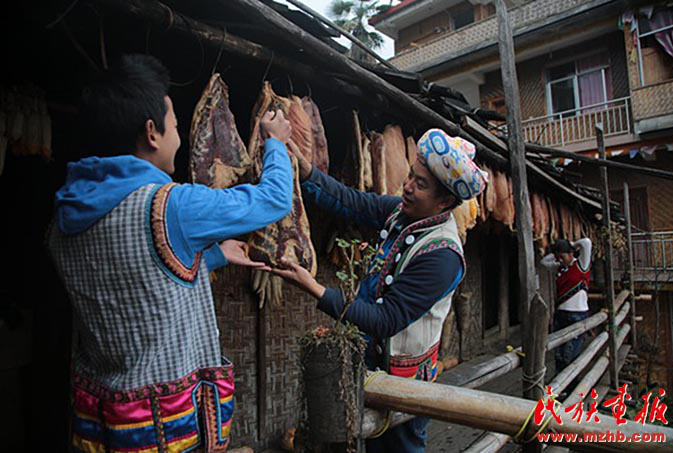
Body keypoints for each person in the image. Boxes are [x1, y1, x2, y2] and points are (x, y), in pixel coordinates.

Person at [48, 54, 293, 453]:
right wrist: (276, 144)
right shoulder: (170, 206)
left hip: (104, 425)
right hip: (166, 429)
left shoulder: (63, 218)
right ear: (152, 133)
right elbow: (273, 201)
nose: (178, 137)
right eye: (176, 126)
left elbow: (130, 278)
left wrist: (212, 256)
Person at [273, 129, 487, 453]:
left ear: (444, 202)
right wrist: (307, 172)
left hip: (406, 381)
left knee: (401, 446)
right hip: (370, 365)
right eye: (411, 176)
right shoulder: (401, 213)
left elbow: (386, 320)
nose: (408, 187)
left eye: (420, 184)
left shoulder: (442, 256)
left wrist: (315, 289)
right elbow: (352, 202)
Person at [541, 237, 593, 377]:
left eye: (562, 257)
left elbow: (586, 242)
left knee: (570, 353)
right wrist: (557, 252)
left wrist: (571, 245)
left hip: (578, 315)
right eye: (558, 258)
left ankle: (571, 381)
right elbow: (543, 262)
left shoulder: (582, 264)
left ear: (571, 254)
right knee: (558, 352)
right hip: (561, 314)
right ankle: (559, 381)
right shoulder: (559, 268)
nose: (560, 260)